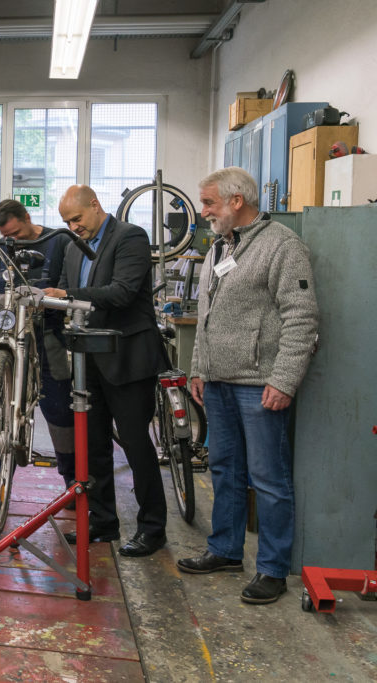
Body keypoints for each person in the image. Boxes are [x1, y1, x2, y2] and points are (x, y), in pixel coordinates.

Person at [177, 168, 318, 604]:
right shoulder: (221, 246)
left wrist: (283, 379)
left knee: (268, 478)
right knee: (224, 470)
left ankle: (272, 569)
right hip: (218, 382)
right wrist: (198, 368)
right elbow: (208, 316)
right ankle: (225, 549)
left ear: (237, 201)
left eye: (209, 204)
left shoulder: (282, 246)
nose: (203, 213)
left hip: (259, 385)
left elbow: (302, 317)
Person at [43, 184, 169, 558]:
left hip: (128, 358)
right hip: (88, 359)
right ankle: (102, 522)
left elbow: (123, 292)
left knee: (134, 443)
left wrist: (69, 297)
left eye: (77, 219)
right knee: (93, 443)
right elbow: (64, 291)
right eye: (66, 221)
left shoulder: (130, 237)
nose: (73, 226)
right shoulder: (69, 247)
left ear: (96, 206)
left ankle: (152, 528)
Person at [0, 199, 75, 499]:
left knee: (59, 410)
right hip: (9, 339)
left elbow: (70, 289)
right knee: (1, 414)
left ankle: (72, 482)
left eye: (18, 234)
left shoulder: (58, 242)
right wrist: (6, 302)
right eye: (9, 237)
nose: (14, 242)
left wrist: (45, 299)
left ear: (28, 217)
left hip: (49, 337)